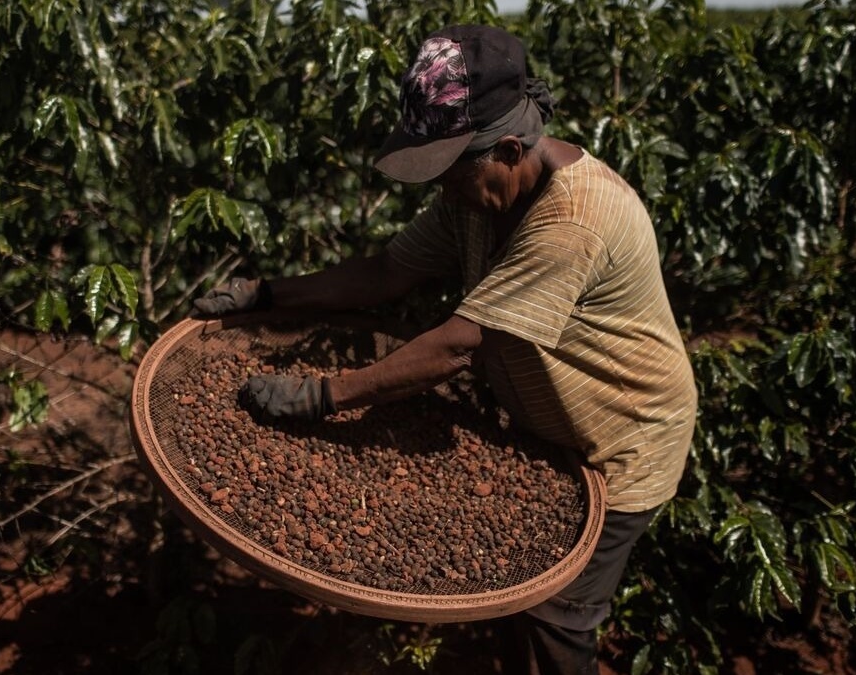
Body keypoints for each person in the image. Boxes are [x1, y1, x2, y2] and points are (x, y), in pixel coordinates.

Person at [190, 24, 697, 675]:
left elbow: (460, 345)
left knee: (557, 615)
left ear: (510, 149)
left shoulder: (574, 221)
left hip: (623, 437)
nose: (443, 189)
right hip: (548, 425)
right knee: (516, 597)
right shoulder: (477, 196)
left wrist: (323, 395)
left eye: (452, 171)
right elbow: (385, 273)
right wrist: (265, 293)